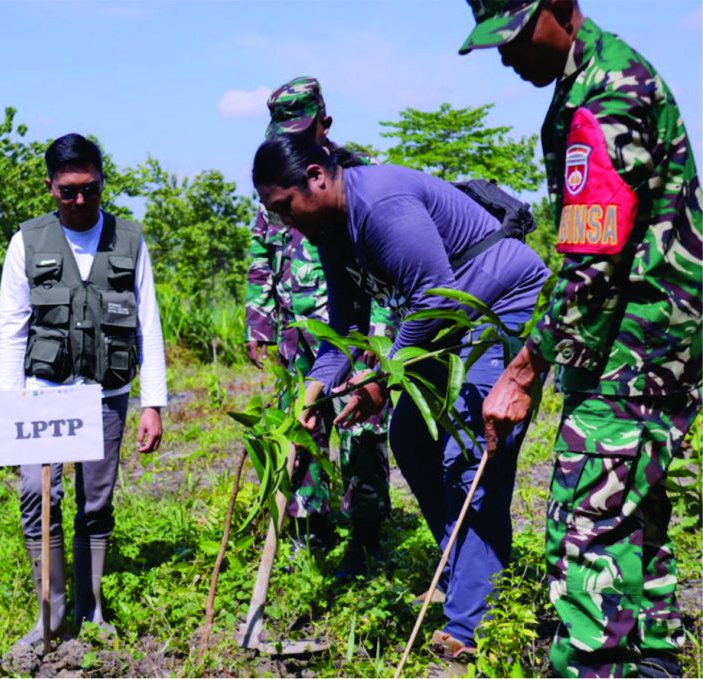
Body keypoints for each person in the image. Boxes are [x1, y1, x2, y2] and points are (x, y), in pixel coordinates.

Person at [460, 1, 702, 675]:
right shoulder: (588, 83)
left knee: (584, 536)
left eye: (514, 35)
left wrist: (524, 370)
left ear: (560, 7)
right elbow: (581, 253)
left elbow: (593, 265)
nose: (507, 55)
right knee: (632, 514)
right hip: (643, 348)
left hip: (637, 351)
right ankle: (654, 664)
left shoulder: (606, 94)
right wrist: (528, 356)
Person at [252, 133, 549, 661]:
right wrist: (308, 404)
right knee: (411, 437)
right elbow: (346, 323)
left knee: (470, 456)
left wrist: (381, 378)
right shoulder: (328, 228)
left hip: (500, 306)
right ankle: (468, 578)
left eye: (283, 206)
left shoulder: (381, 205)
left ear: (317, 177)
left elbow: (432, 295)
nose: (282, 222)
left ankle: (472, 624)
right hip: (447, 321)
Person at [0, 133, 166, 645]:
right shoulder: (27, 241)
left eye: (89, 189)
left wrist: (153, 403)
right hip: (41, 393)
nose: (79, 201)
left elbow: (148, 326)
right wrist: (9, 411)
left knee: (96, 503)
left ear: (101, 183)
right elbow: (11, 328)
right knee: (35, 495)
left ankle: (92, 612)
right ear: (50, 187)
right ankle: (49, 615)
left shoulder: (129, 239)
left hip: (106, 394)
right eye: (68, 191)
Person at [244, 76, 391, 574]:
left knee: (361, 435)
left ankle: (365, 538)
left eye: (303, 131)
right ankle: (308, 530)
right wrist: (259, 324)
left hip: (357, 334)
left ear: (325, 124)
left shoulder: (360, 177)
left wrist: (381, 342)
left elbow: (388, 265)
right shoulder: (278, 183)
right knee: (302, 431)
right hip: (299, 335)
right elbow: (261, 256)